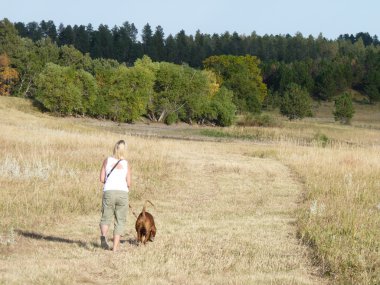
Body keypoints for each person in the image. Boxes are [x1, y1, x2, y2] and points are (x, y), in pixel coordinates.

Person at [99, 140, 131, 252]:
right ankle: (115, 247)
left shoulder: (107, 160)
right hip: (122, 193)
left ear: (115, 148)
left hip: (109, 191)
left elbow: (102, 179)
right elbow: (129, 183)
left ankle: (103, 236)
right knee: (120, 220)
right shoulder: (126, 163)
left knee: (106, 216)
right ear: (124, 150)